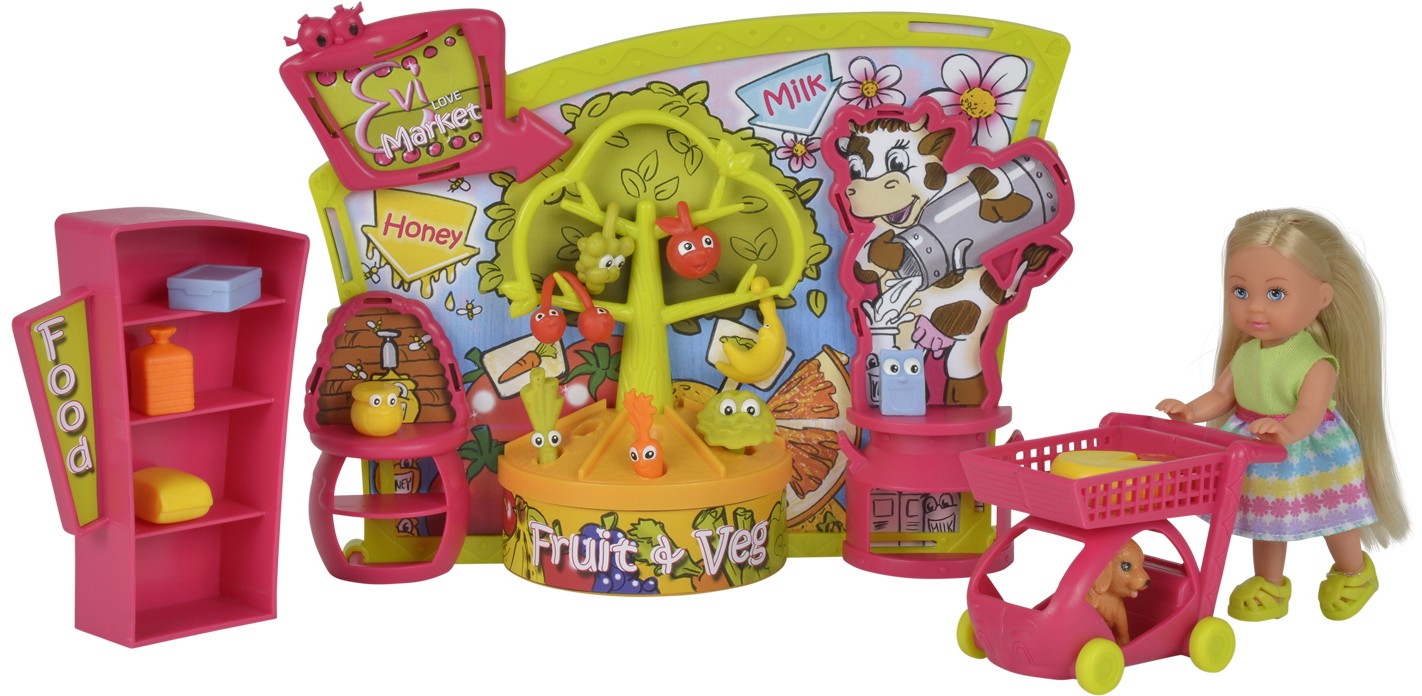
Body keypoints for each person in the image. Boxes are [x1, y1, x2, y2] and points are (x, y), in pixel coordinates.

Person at [1157, 209, 1407, 621]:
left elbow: (1310, 412)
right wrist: (1190, 411)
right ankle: (1270, 584)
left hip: (1312, 451)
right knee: (1266, 520)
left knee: (1335, 514)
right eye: (1240, 291)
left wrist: (1286, 430)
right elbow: (1221, 395)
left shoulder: (1315, 362)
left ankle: (1354, 571)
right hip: (1259, 447)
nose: (1255, 307)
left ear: (1322, 298)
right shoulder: (1246, 354)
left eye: (1275, 293)